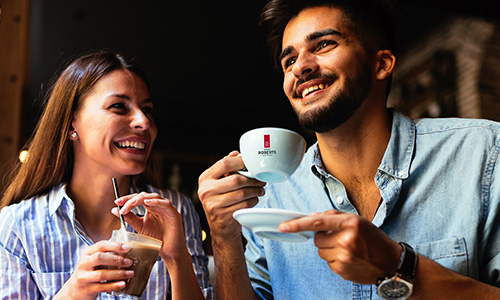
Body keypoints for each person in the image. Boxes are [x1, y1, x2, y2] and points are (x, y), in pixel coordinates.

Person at [197, 0, 500, 299]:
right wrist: (224, 238)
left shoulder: (485, 153)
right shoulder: (268, 199)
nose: (300, 67)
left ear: (381, 64)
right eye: (288, 61)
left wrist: (401, 268)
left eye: (324, 45)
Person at [0, 50, 213, 299]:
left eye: (147, 109)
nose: (144, 122)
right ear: (71, 123)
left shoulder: (174, 210)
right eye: (119, 107)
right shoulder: (17, 225)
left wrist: (177, 260)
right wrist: (72, 293)